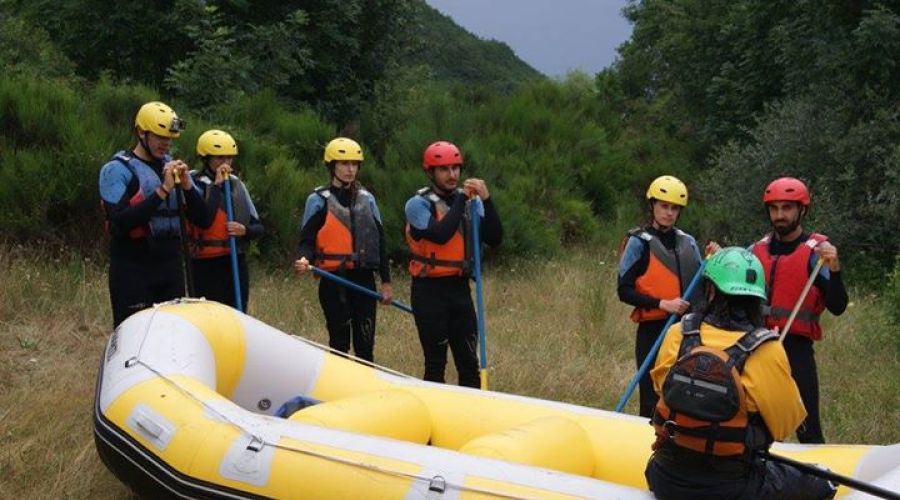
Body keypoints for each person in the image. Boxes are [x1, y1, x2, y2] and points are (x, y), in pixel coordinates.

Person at [645, 247, 836, 500]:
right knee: (822, 485)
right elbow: (784, 426)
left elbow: (662, 390)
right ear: (757, 299)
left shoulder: (679, 334)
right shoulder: (767, 351)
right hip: (732, 488)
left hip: (664, 477)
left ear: (710, 290)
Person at [750, 177, 848, 444]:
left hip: (796, 348)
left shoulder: (817, 253)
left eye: (787, 208)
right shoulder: (756, 250)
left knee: (808, 428)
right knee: (754, 425)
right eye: (774, 208)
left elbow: (838, 306)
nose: (780, 215)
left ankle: (819, 481)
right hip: (758, 346)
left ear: (801, 210)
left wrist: (835, 270)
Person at [99, 101, 211, 328]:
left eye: (169, 138)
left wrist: (188, 186)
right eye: (160, 137)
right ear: (141, 133)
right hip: (132, 264)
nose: (166, 144)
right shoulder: (116, 170)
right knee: (135, 333)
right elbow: (120, 222)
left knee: (171, 333)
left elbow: (203, 219)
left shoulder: (174, 168)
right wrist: (163, 191)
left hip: (169, 263)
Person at [404, 141, 502, 388]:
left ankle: (473, 416)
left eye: (455, 168)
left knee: (469, 362)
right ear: (431, 172)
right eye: (444, 169)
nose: (452, 175)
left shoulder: (472, 202)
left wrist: (487, 201)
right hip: (429, 292)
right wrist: (461, 199)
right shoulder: (417, 204)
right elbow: (440, 234)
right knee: (436, 363)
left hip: (459, 291)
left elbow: (495, 237)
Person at [293, 137, 392, 362]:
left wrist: (386, 282)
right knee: (339, 346)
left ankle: (366, 391)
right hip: (334, 281)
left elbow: (380, 242)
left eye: (354, 164)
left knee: (365, 346)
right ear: (332, 166)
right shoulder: (318, 200)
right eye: (344, 163)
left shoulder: (367, 200)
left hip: (364, 280)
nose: (350, 169)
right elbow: (307, 240)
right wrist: (303, 258)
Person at [617, 175, 706, 417]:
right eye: (664, 206)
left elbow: (704, 282)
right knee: (650, 398)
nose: (669, 213)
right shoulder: (638, 242)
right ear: (652, 206)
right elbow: (623, 290)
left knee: (682, 397)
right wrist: (661, 304)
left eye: (674, 208)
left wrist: (715, 258)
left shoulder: (688, 242)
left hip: (684, 331)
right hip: (652, 331)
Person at [188, 129, 263, 311]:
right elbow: (204, 218)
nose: (225, 163)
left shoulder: (236, 184)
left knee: (237, 314)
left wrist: (245, 231)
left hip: (234, 261)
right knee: (209, 316)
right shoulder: (192, 182)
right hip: (204, 264)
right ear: (206, 159)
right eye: (219, 158)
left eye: (229, 158)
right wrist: (217, 186)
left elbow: (258, 227)